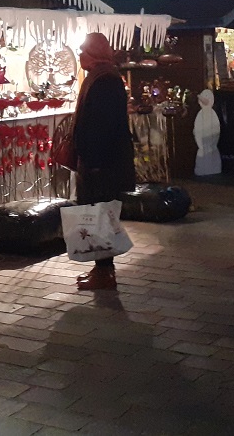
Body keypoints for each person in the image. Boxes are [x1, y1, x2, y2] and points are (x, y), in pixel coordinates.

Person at [72, 32, 137, 290]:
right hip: (97, 163)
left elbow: (103, 126)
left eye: (83, 50)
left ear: (95, 53)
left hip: (102, 165)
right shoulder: (99, 78)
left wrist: (95, 162)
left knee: (100, 218)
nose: (79, 55)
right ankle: (101, 269)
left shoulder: (106, 81)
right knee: (95, 217)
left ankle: (105, 273)